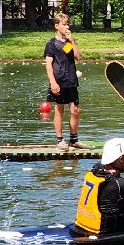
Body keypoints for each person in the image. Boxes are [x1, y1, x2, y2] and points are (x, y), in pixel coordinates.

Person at [44, 11, 83, 149]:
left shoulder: (68, 43)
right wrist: (53, 82)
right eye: (64, 24)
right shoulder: (51, 44)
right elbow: (49, 65)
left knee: (75, 110)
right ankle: (60, 140)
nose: (67, 27)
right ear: (57, 26)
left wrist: (72, 41)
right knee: (59, 109)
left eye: (68, 24)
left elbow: (78, 57)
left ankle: (74, 140)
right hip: (58, 81)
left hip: (71, 80)